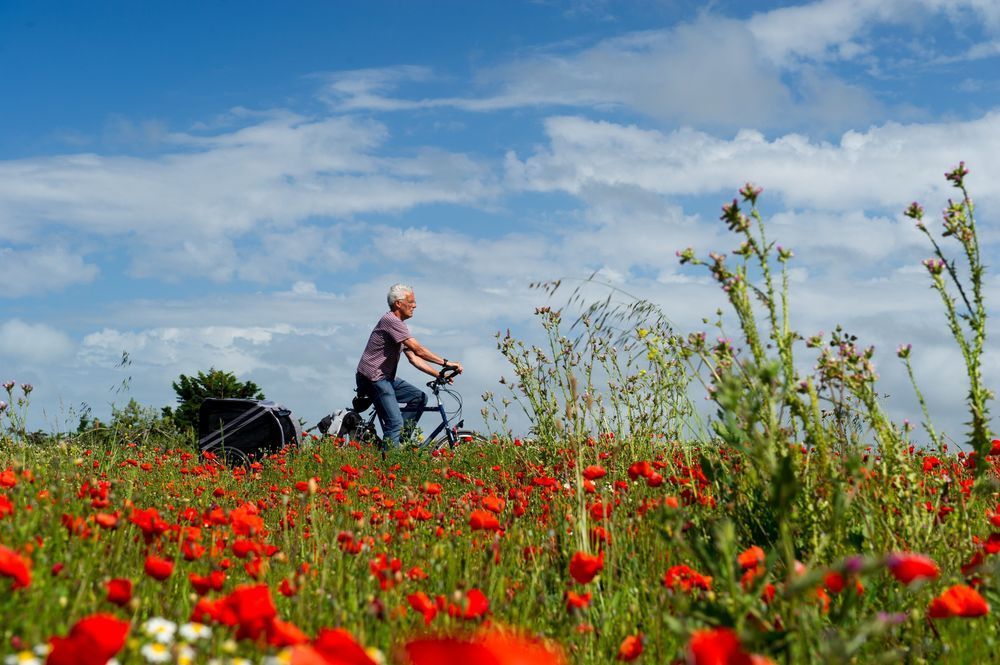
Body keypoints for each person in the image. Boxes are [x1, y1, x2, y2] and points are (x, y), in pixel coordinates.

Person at [356, 284, 463, 448]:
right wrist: (447, 363)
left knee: (419, 398)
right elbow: (418, 350)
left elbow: (413, 358)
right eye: (411, 301)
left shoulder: (398, 325)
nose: (415, 305)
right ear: (398, 303)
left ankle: (399, 442)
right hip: (372, 378)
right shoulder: (390, 321)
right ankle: (390, 465)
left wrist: (439, 375)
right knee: (395, 422)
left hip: (385, 377)